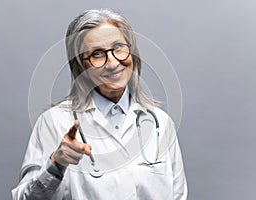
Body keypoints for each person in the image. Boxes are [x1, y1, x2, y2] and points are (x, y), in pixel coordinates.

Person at [12, 8, 187, 200]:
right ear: (80, 65)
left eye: (119, 47)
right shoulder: (54, 122)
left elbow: (177, 195)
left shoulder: (161, 123)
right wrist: (56, 165)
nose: (112, 63)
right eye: (97, 54)